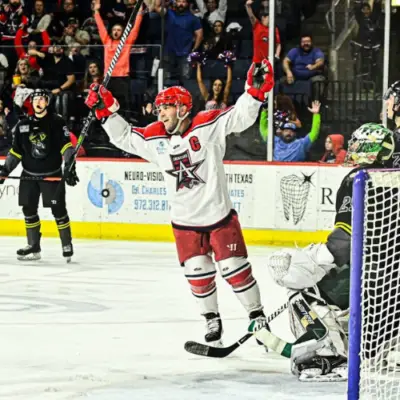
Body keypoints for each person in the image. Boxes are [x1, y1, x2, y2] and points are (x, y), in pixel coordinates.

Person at [84, 59, 275, 346]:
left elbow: (239, 117)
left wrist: (255, 94)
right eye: (159, 107)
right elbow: (125, 136)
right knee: (198, 273)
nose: (160, 112)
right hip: (185, 223)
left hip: (219, 217)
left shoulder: (206, 125)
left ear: (183, 108)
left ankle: (256, 316)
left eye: (166, 107)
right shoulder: (155, 137)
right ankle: (212, 318)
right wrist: (104, 111)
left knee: (235, 268)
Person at [262, 122, 396, 382]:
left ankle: (329, 354)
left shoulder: (359, 179)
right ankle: (375, 346)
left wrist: (313, 261)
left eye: (359, 144)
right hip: (393, 298)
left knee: (305, 290)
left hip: (376, 280)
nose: (353, 149)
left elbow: (342, 244)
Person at [0, 89, 79, 262]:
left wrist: (70, 166)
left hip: (52, 176)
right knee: (28, 209)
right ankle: (33, 245)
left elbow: (66, 147)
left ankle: (66, 244)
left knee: (58, 210)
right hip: (29, 176)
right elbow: (16, 152)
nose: (38, 102)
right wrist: (5, 170)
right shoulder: (22, 126)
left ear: (47, 102)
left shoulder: (57, 122)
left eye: (42, 99)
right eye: (35, 99)